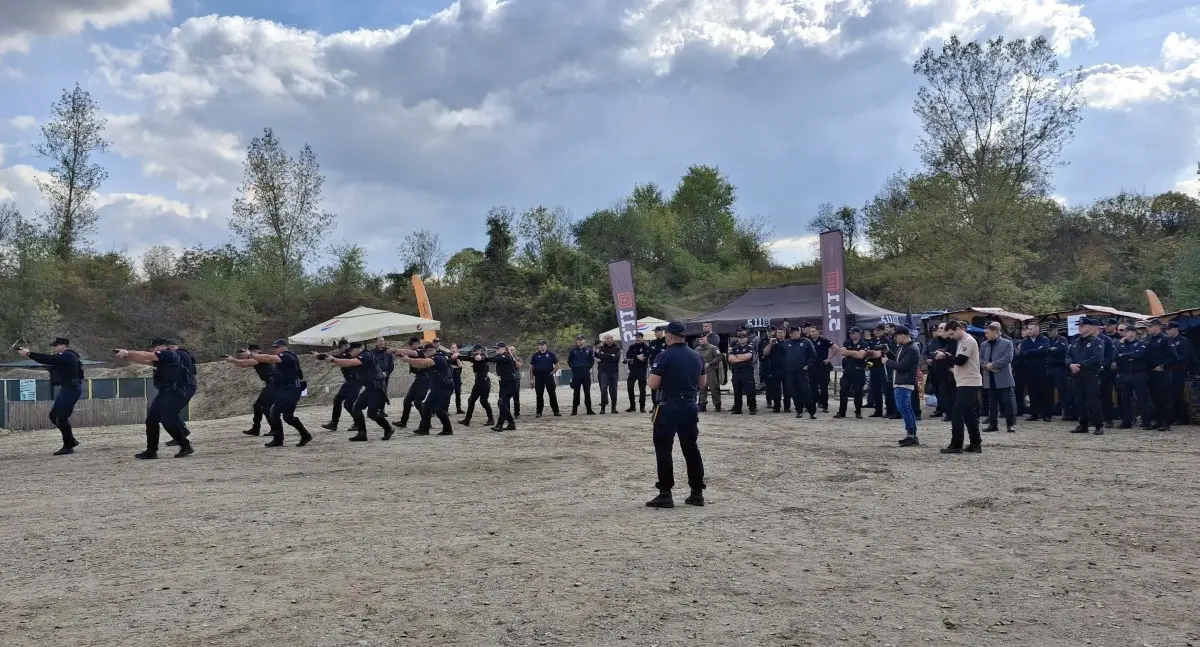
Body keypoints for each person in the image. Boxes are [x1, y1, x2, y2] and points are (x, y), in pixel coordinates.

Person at [644, 321, 706, 509]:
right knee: (691, 449)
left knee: (664, 450)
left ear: (669, 335)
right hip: (689, 406)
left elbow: (653, 384)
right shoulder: (696, 356)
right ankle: (697, 493)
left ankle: (665, 493)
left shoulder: (664, 356)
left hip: (668, 407)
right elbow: (702, 383)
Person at [115, 338, 194, 459]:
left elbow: (146, 355)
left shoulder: (168, 353)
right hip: (168, 391)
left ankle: (185, 445)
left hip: (178, 391)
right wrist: (127, 356)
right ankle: (151, 450)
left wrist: (127, 352)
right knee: (152, 419)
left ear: (162, 346)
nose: (152, 350)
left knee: (168, 418)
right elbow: (147, 360)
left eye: (154, 348)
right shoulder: (170, 356)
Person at [16, 337, 84, 455]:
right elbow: (48, 359)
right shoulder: (65, 356)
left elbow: (48, 359)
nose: (54, 347)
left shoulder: (68, 356)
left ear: (64, 345)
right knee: (53, 416)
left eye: (56, 345)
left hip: (71, 389)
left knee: (61, 418)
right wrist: (29, 354)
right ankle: (70, 441)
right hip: (67, 389)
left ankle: (68, 446)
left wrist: (29, 354)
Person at [246, 339, 313, 447]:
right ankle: (305, 435)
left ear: (283, 347)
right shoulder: (287, 356)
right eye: (274, 348)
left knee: (274, 412)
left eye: (277, 347)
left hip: (291, 389)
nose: (275, 349)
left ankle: (278, 440)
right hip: (289, 389)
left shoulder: (287, 356)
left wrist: (251, 355)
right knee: (288, 417)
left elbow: (269, 358)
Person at [322, 342, 392, 441]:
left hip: (377, 388)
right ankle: (362, 433)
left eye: (351, 351)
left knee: (372, 413)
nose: (350, 353)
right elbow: (344, 361)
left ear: (357, 349)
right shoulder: (360, 355)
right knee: (356, 408)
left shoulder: (366, 355)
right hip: (369, 388)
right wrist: (330, 359)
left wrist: (333, 360)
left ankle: (388, 429)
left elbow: (349, 362)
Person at [939, 321, 983, 454]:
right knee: (969, 414)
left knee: (957, 413)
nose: (951, 337)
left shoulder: (968, 341)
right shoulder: (961, 341)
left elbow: (960, 360)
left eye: (952, 334)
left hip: (969, 382)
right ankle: (975, 443)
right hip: (964, 381)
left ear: (958, 329)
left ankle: (956, 444)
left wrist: (946, 356)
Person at [400, 342, 456, 435]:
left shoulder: (439, 357)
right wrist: (407, 360)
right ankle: (424, 429)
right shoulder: (432, 358)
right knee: (426, 407)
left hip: (445, 386)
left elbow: (423, 362)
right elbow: (419, 365)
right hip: (436, 387)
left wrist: (408, 359)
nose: (424, 354)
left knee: (439, 410)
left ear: (431, 350)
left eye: (426, 352)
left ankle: (448, 429)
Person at [223, 343, 276, 436]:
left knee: (265, 407)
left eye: (245, 352)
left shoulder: (259, 357)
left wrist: (233, 360)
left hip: (274, 385)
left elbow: (244, 363)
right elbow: (242, 365)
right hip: (270, 385)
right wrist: (232, 360)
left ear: (254, 351)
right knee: (257, 406)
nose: (243, 354)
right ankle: (256, 429)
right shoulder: (258, 357)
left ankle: (274, 429)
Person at [1067, 317, 1106, 435]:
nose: (1079, 328)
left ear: (1089, 327)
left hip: (1090, 374)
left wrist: (1081, 365)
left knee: (1093, 400)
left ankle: (1098, 425)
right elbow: (1068, 355)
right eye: (1079, 325)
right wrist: (1070, 364)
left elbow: (1097, 358)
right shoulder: (1075, 341)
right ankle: (1083, 424)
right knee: (1079, 400)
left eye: (1082, 326)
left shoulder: (1097, 341)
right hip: (1076, 375)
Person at [885, 325, 921, 447]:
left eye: (896, 336)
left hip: (904, 382)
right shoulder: (905, 347)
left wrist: (887, 362)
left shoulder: (911, 348)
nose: (895, 338)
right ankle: (911, 435)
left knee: (903, 407)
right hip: (902, 381)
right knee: (906, 408)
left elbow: (902, 366)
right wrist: (888, 353)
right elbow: (899, 361)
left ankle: (911, 434)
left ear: (904, 335)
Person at [1113, 325, 1153, 429]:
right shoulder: (1120, 343)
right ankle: (1127, 421)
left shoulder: (1141, 343)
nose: (1124, 333)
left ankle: (1146, 422)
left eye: (1126, 331)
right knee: (1125, 399)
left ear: (1133, 332)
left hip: (1138, 374)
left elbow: (1139, 354)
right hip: (1124, 374)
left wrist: (1123, 355)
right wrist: (1124, 351)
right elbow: (1115, 356)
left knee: (1142, 398)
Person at [980, 322, 1017, 433]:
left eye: (988, 332)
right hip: (989, 377)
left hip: (1003, 378)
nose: (986, 335)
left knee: (1007, 402)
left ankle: (1010, 424)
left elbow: (1008, 358)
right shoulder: (984, 345)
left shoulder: (1007, 343)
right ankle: (993, 424)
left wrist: (993, 365)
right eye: (985, 333)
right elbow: (980, 359)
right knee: (992, 403)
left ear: (995, 332)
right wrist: (986, 365)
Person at [1143, 318, 1178, 431]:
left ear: (1158, 326)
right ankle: (1158, 420)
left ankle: (1166, 422)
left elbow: (1173, 357)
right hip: (1151, 373)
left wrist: (1162, 365)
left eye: (1150, 326)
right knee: (1155, 398)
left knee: (1164, 398)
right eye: (1147, 326)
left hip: (1162, 373)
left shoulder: (1165, 339)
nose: (1148, 328)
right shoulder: (1148, 340)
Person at [321, 339, 361, 432]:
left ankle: (358, 422)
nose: (339, 349)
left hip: (355, 382)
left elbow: (337, 357)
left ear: (345, 346)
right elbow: (335, 357)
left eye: (340, 347)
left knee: (348, 404)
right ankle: (334, 423)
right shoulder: (345, 354)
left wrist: (321, 356)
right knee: (338, 400)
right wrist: (320, 356)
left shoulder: (348, 354)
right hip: (349, 381)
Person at [163, 341, 198, 447]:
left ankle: (181, 434)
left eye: (169, 348)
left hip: (185, 387)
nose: (168, 350)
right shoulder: (183, 354)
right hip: (185, 386)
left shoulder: (180, 354)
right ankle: (182, 432)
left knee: (169, 411)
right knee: (170, 410)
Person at [1014, 322, 1050, 422]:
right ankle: (1034, 414)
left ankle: (1045, 414)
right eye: (1028, 329)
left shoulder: (1044, 339)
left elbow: (1044, 351)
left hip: (1042, 369)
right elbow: (1022, 353)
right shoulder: (1025, 341)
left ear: (1037, 329)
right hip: (1029, 370)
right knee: (1032, 392)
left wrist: (1030, 351)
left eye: (1032, 329)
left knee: (1044, 392)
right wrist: (1036, 350)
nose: (1029, 331)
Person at [781, 325, 816, 419]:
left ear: (798, 332)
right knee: (794, 392)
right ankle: (799, 410)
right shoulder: (786, 343)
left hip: (801, 371)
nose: (791, 334)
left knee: (805, 391)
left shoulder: (806, 342)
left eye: (793, 333)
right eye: (790, 333)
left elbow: (813, 355)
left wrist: (807, 366)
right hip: (790, 371)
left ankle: (811, 411)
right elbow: (782, 356)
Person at [834, 327, 868, 418]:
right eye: (851, 333)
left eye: (853, 333)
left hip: (858, 370)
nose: (851, 335)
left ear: (858, 334)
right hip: (848, 370)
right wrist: (855, 352)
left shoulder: (863, 343)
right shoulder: (847, 342)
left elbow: (861, 356)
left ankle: (858, 412)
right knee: (843, 391)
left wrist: (849, 352)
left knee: (858, 392)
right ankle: (842, 412)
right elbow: (842, 352)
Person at [1166, 321, 1195, 426]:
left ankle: (1181, 418)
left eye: (1169, 329)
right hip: (1169, 371)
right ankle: (1172, 417)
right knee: (1170, 395)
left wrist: (1171, 361)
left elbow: (1185, 357)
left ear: (1175, 329)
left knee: (1179, 395)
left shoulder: (1183, 341)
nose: (1167, 332)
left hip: (1180, 371)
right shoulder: (1168, 341)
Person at [487, 342, 521, 432]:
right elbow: (492, 359)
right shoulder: (500, 356)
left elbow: (495, 359)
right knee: (501, 403)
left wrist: (483, 358)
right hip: (503, 382)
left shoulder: (507, 356)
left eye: (498, 348)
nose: (496, 350)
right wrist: (482, 358)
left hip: (511, 382)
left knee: (502, 402)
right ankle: (511, 423)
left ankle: (500, 425)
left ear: (504, 349)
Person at [460, 343, 495, 427]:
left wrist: (479, 357)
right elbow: (468, 358)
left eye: (475, 350)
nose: (474, 351)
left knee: (483, 401)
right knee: (472, 400)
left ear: (480, 350)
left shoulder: (483, 356)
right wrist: (458, 356)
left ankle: (491, 419)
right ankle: (467, 420)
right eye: (474, 350)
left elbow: (481, 358)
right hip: (479, 381)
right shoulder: (475, 357)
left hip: (483, 381)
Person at [395, 337, 428, 428]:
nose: (410, 346)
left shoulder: (420, 352)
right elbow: (405, 355)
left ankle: (427, 422)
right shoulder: (412, 352)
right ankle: (403, 422)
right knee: (407, 401)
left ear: (417, 344)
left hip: (425, 379)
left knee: (418, 402)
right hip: (418, 378)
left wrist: (395, 351)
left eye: (411, 344)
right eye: (409, 344)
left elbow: (410, 353)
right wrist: (398, 354)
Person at [866, 325, 895, 418]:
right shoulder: (872, 340)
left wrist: (870, 353)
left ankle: (890, 411)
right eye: (875, 330)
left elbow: (878, 354)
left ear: (883, 331)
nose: (877, 332)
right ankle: (878, 411)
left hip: (884, 368)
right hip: (873, 367)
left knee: (887, 390)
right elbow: (866, 353)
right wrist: (870, 353)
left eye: (879, 330)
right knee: (875, 390)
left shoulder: (885, 340)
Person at [727, 330, 757, 415]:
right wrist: (741, 358)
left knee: (750, 391)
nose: (741, 339)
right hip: (737, 372)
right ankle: (737, 408)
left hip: (747, 372)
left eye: (743, 338)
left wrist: (736, 356)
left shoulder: (749, 347)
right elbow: (730, 358)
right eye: (739, 338)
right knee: (737, 391)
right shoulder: (734, 348)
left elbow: (748, 356)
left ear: (746, 338)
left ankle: (752, 408)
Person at [1045, 324, 1072, 420]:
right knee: (1048, 391)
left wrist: (1052, 350)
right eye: (1048, 331)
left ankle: (1066, 412)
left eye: (1051, 330)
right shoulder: (1047, 340)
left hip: (1059, 368)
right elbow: (1044, 350)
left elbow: (1062, 350)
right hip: (1049, 367)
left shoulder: (1062, 339)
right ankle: (1048, 413)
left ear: (1056, 330)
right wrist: (1051, 350)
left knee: (1062, 391)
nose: (1049, 332)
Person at [530, 340, 562, 417]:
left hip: (548, 377)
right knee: (539, 395)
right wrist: (531, 379)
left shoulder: (551, 354)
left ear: (545, 345)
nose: (541, 346)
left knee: (552, 394)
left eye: (542, 345)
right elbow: (532, 367)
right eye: (539, 345)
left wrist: (551, 373)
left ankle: (556, 411)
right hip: (539, 377)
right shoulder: (535, 355)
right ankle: (539, 412)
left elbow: (557, 365)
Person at [567, 335, 596, 415]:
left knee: (587, 391)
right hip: (576, 373)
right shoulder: (573, 350)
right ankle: (574, 410)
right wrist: (574, 368)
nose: (579, 341)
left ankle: (589, 410)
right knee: (576, 391)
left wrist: (586, 368)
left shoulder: (588, 350)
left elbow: (592, 362)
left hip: (585, 372)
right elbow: (569, 361)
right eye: (578, 340)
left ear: (584, 341)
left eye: (581, 340)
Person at [760, 327, 787, 412]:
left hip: (786, 369)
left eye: (781, 332)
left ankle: (787, 406)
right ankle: (776, 406)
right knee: (775, 389)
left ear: (784, 333)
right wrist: (770, 344)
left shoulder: (788, 342)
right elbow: (765, 353)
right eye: (778, 332)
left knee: (787, 389)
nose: (779, 334)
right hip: (774, 369)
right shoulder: (772, 342)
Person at [808, 325, 833, 413]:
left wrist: (829, 358)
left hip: (823, 367)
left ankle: (825, 406)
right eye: (811, 331)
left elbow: (835, 348)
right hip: (812, 367)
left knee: (824, 388)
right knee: (812, 387)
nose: (812, 333)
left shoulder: (824, 341)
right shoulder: (808, 341)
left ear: (818, 332)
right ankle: (815, 403)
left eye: (813, 331)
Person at [695, 334, 723, 412]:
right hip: (701, 372)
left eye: (702, 339)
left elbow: (719, 357)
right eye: (699, 339)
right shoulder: (697, 349)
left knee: (714, 388)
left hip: (711, 371)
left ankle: (717, 405)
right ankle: (702, 404)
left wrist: (710, 363)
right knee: (702, 389)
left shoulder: (713, 348)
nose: (700, 340)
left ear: (706, 339)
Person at [595, 334, 621, 414]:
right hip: (604, 372)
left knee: (613, 391)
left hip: (614, 372)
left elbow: (616, 358)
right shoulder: (602, 348)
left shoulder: (617, 348)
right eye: (605, 338)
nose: (606, 340)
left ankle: (613, 408)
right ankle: (603, 408)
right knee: (603, 390)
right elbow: (601, 356)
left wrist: (606, 356)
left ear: (612, 339)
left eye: (608, 338)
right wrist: (611, 355)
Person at [624, 333, 650, 413]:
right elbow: (628, 355)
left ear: (642, 338)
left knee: (642, 389)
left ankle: (642, 407)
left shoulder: (646, 347)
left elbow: (644, 358)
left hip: (642, 370)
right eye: (636, 337)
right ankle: (632, 406)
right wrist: (637, 356)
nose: (637, 338)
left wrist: (634, 356)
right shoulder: (632, 346)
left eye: (639, 337)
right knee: (629, 387)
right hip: (633, 370)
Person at [646, 326, 667, 407]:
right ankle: (654, 405)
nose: (655, 333)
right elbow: (649, 352)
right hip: (654, 366)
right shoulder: (653, 342)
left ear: (662, 332)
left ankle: (663, 404)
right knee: (654, 386)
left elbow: (665, 352)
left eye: (657, 332)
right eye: (654, 332)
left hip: (663, 366)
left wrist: (655, 351)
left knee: (663, 385)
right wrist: (659, 350)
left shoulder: (666, 341)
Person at [449, 343, 465, 414]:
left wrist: (457, 357)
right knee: (448, 393)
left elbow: (460, 365)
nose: (453, 349)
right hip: (450, 377)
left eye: (455, 348)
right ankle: (446, 409)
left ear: (457, 349)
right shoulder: (448, 356)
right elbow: (448, 365)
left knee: (458, 392)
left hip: (457, 376)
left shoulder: (459, 356)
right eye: (452, 348)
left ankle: (458, 408)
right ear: (450, 349)